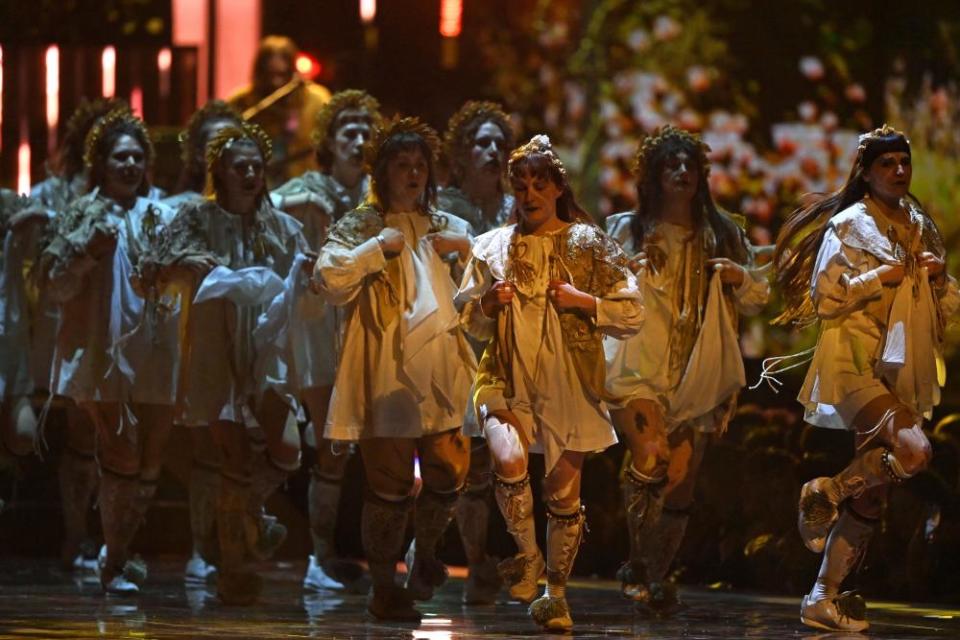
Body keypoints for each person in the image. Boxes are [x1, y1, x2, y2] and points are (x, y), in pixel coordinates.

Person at [774, 124, 959, 632]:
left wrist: (938, 278)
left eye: (905, 162)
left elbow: (941, 304)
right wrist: (880, 276)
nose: (899, 171)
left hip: (898, 366)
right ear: (866, 171)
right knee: (915, 451)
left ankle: (822, 597)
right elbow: (826, 296)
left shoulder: (917, 222)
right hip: (854, 361)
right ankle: (827, 491)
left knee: (873, 495)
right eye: (887, 164)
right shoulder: (852, 225)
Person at [456, 135, 643, 631]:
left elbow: (633, 310)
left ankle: (555, 593)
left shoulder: (587, 242)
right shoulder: (493, 246)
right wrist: (488, 306)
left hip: (568, 381)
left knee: (562, 496)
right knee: (509, 456)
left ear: (559, 187)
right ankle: (527, 556)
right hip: (506, 376)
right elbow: (469, 319)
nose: (528, 195)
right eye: (520, 187)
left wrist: (585, 301)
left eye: (539, 185)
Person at [313, 116, 475, 621]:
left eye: (419, 166)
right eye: (401, 165)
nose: (412, 174)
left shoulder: (450, 227)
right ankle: (384, 587)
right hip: (383, 364)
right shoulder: (360, 225)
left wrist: (467, 253)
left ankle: (423, 550)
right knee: (389, 481)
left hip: (442, 361)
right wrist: (375, 248)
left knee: (451, 470)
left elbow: (485, 288)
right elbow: (328, 278)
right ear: (381, 173)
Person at [139, 121, 308, 605]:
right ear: (221, 171)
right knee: (231, 454)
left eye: (257, 165)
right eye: (241, 166)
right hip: (214, 345)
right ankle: (235, 567)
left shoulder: (279, 224)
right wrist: (181, 266)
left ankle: (251, 510)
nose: (251, 173)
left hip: (265, 343)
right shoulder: (195, 218)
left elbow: (303, 270)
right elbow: (150, 269)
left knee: (287, 445)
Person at [603, 125, 769, 612]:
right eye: (670, 165)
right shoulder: (624, 230)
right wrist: (621, 276)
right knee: (649, 455)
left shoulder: (721, 233)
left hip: (695, 371)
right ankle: (638, 561)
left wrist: (740, 277)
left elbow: (757, 296)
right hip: (637, 365)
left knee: (680, 480)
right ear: (652, 176)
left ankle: (656, 573)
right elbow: (592, 286)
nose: (681, 173)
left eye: (689, 165)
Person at [38, 109, 179, 595]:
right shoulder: (81, 213)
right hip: (100, 350)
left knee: (147, 458)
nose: (131, 164)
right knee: (119, 449)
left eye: (138, 156)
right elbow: (54, 287)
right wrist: (87, 253)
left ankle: (117, 548)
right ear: (101, 163)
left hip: (155, 349)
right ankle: (114, 560)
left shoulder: (164, 211)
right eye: (121, 156)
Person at [271, 89, 382, 593]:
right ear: (330, 140)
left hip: (368, 324)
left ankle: (371, 555)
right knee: (332, 442)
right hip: (319, 323)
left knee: (373, 445)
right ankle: (320, 556)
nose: (358, 140)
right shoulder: (309, 186)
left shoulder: (380, 191)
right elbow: (272, 209)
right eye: (348, 131)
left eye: (365, 132)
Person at [30, 98, 131, 572]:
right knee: (78, 427)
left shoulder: (136, 199)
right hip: (68, 320)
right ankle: (77, 533)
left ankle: (114, 540)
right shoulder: (55, 194)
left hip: (118, 325)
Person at [439, 100, 516, 604]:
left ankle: (491, 563)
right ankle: (460, 560)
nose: (492, 151)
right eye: (481, 142)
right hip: (452, 341)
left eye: (499, 144)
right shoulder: (440, 208)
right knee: (459, 462)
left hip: (506, 344)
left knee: (496, 459)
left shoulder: (518, 208)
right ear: (461, 153)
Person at [164, 99, 244, 585]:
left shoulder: (257, 211)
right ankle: (203, 545)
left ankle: (238, 541)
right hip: (189, 335)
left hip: (244, 338)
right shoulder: (179, 210)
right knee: (203, 443)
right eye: (215, 143)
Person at [228, 35, 332, 186]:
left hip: (304, 189)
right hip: (254, 189)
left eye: (281, 75)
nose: (275, 82)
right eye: (269, 75)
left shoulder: (317, 100)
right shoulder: (241, 102)